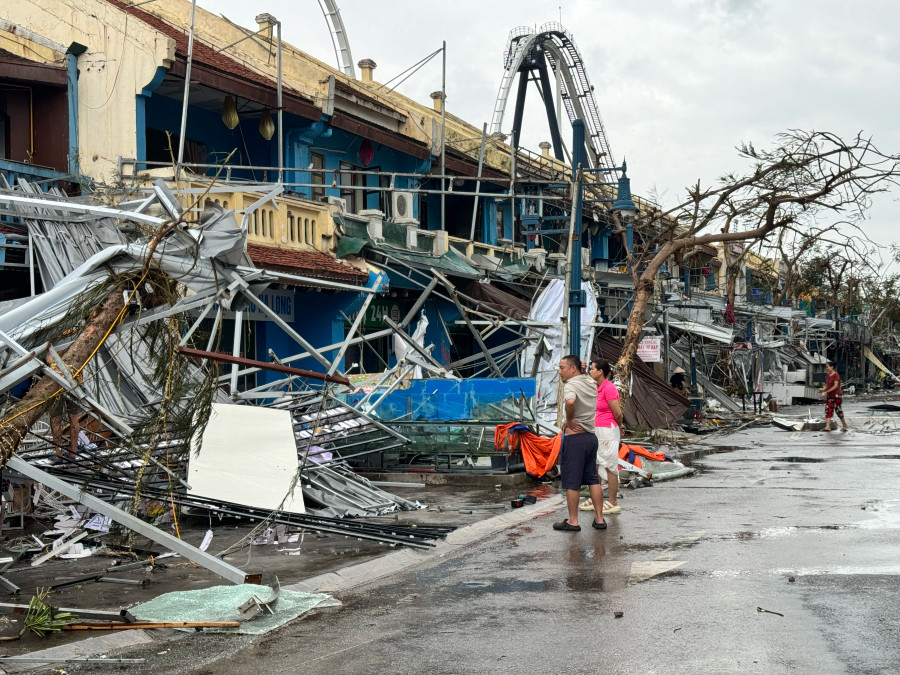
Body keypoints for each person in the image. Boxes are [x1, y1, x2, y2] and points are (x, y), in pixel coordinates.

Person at [553, 355, 606, 532]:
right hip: (591, 437)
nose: (560, 371)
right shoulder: (591, 382)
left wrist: (569, 420)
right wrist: (583, 371)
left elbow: (570, 402)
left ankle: (573, 521)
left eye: (562, 368)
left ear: (572, 369)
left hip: (575, 439)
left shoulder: (571, 385)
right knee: (593, 479)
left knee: (572, 482)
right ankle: (599, 519)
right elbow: (585, 376)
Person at [579, 360, 623, 515]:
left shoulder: (609, 388)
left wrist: (619, 426)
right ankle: (595, 498)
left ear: (600, 372)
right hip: (596, 430)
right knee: (595, 465)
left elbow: (617, 413)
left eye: (592, 369)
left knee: (610, 466)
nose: (590, 371)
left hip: (607, 431)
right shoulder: (596, 387)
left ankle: (613, 501)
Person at [820, 362, 849, 432]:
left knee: (838, 410)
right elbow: (827, 385)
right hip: (830, 396)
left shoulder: (836, 375)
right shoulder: (827, 376)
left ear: (832, 367)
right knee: (828, 410)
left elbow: (836, 386)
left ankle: (844, 425)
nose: (826, 368)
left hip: (836, 395)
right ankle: (827, 427)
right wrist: (823, 389)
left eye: (827, 367)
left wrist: (827, 392)